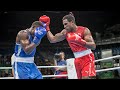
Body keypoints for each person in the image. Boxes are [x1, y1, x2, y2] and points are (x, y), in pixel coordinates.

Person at [39, 12, 96, 79]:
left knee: (85, 78)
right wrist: (47, 27)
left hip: (88, 58)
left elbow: (93, 46)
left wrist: (80, 41)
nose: (64, 26)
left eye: (66, 24)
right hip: (77, 59)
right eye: (63, 25)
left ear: (72, 22)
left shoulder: (84, 30)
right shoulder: (65, 32)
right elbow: (52, 40)